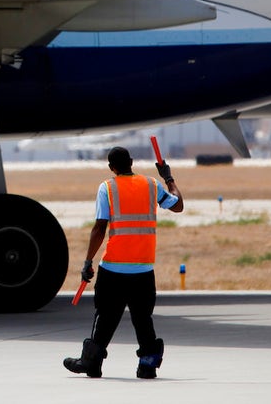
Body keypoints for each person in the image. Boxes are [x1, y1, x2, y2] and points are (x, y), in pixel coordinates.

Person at [64, 146, 183, 379]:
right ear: (131, 161)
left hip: (113, 268)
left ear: (111, 167)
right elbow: (178, 205)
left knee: (105, 317)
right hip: (143, 268)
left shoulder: (107, 187)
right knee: (143, 319)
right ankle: (147, 365)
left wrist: (88, 261)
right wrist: (168, 177)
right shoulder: (151, 185)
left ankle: (92, 362)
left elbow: (99, 228)